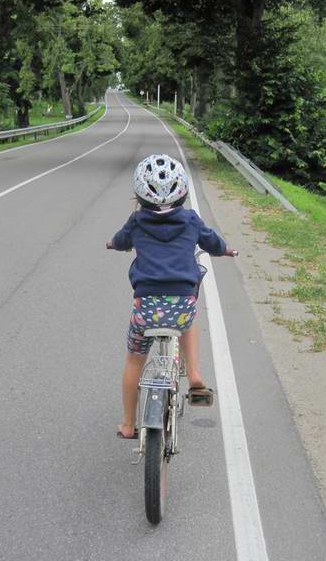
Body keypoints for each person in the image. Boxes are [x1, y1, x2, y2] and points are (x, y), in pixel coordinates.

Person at [106, 154, 237, 439]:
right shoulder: (191, 220)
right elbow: (213, 242)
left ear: (140, 195)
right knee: (188, 321)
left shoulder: (137, 221)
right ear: (183, 193)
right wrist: (225, 250)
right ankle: (194, 374)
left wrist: (112, 244)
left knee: (133, 360)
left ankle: (128, 424)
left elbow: (120, 241)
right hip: (181, 305)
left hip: (146, 309)